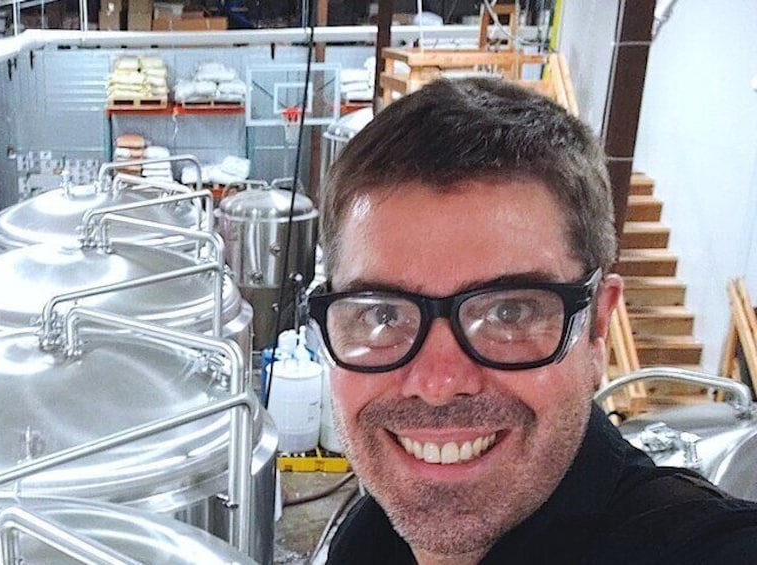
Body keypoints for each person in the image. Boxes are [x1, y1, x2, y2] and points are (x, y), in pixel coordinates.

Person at [306, 77, 757, 565]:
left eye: (509, 312)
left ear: (597, 327)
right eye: (382, 313)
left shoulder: (690, 546)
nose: (437, 384)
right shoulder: (366, 537)